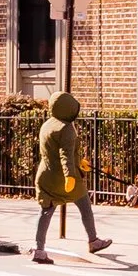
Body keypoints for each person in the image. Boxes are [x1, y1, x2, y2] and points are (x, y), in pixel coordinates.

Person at [31, 85, 111, 264]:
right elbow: (65, 154)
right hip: (63, 178)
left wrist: (79, 162)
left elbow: (53, 151)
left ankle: (39, 250)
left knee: (46, 211)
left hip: (46, 176)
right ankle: (93, 241)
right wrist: (71, 175)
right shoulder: (66, 128)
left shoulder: (47, 124)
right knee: (84, 205)